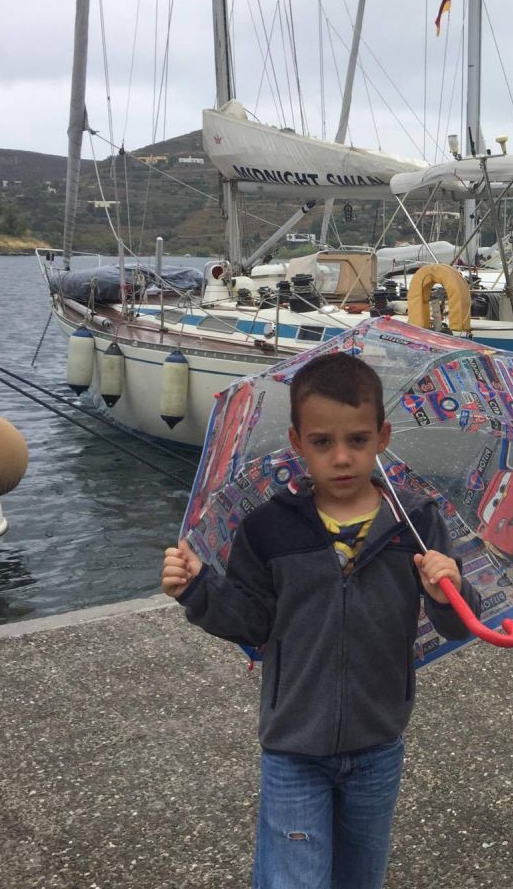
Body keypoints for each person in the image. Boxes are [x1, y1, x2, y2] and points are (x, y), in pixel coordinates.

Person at [161, 353, 481, 889]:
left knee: (360, 877)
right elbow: (252, 621)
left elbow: (458, 624)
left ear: (382, 437)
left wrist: (447, 592)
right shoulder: (268, 527)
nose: (341, 457)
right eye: (322, 442)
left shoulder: (416, 523)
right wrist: (198, 589)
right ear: (297, 442)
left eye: (357, 440)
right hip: (294, 748)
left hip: (378, 743)